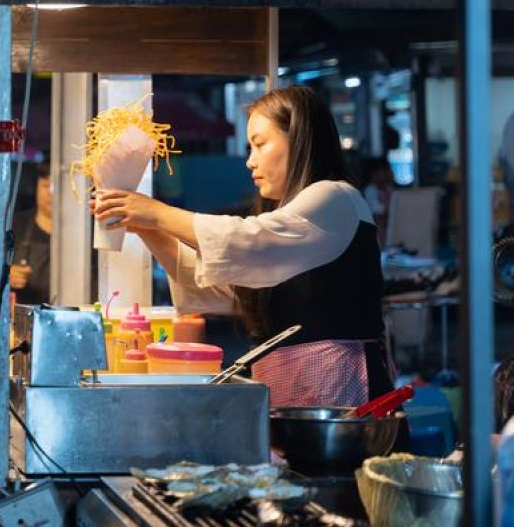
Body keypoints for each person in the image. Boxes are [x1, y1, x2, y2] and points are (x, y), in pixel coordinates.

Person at [92, 85, 391, 407]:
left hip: (343, 390)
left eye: (260, 145)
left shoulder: (335, 197)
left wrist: (157, 213)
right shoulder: (286, 223)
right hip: (290, 389)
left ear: (301, 139)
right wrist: (147, 228)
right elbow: (219, 285)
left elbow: (247, 240)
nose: (250, 161)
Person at [0, 163, 52, 305]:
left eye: (58, 187)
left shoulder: (88, 233)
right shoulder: (12, 225)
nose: (51, 193)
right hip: (22, 323)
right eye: (45, 185)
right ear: (36, 187)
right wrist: (5, 278)